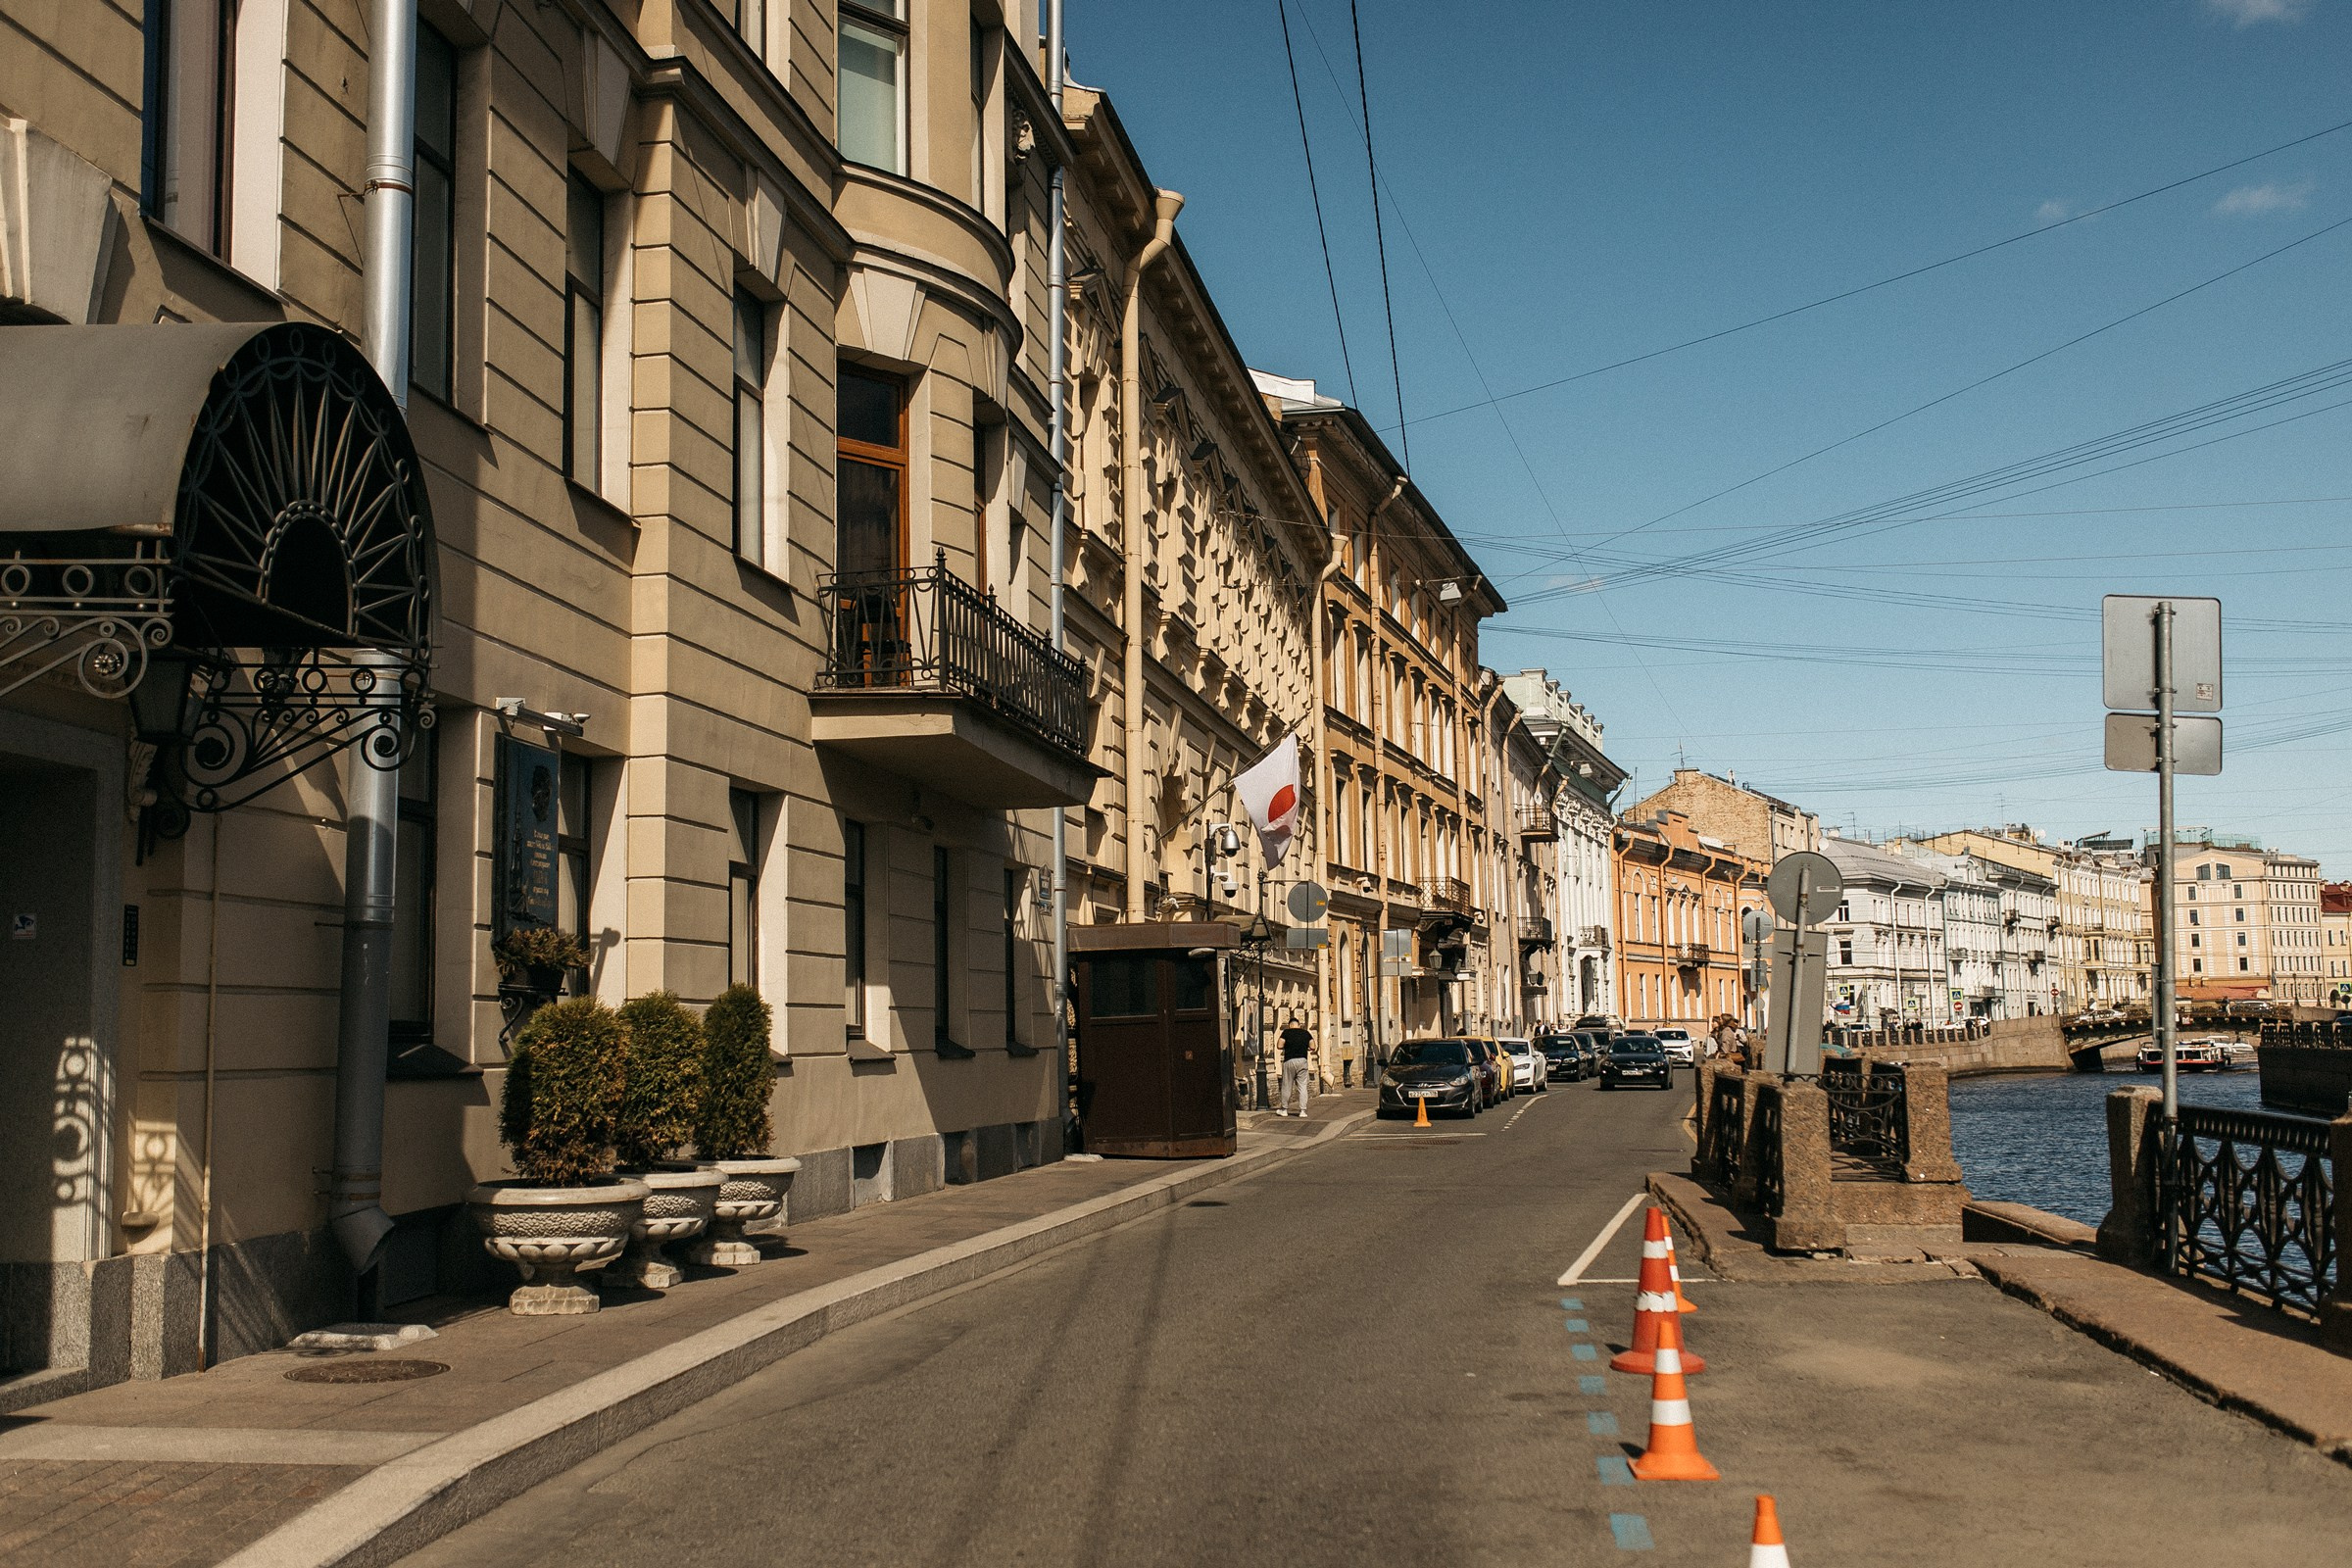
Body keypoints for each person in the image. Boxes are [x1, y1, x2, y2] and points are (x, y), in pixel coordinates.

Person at [1278, 1011, 1314, 1117]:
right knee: (1303, 1086)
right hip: (1303, 1061)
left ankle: (1284, 1109)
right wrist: (1306, 1047)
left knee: (1287, 1086)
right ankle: (1303, 1111)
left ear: (1290, 1025)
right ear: (1299, 1025)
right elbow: (1313, 1046)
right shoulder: (1306, 1033)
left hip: (1289, 1061)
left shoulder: (1286, 1032)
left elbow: (1279, 1045)